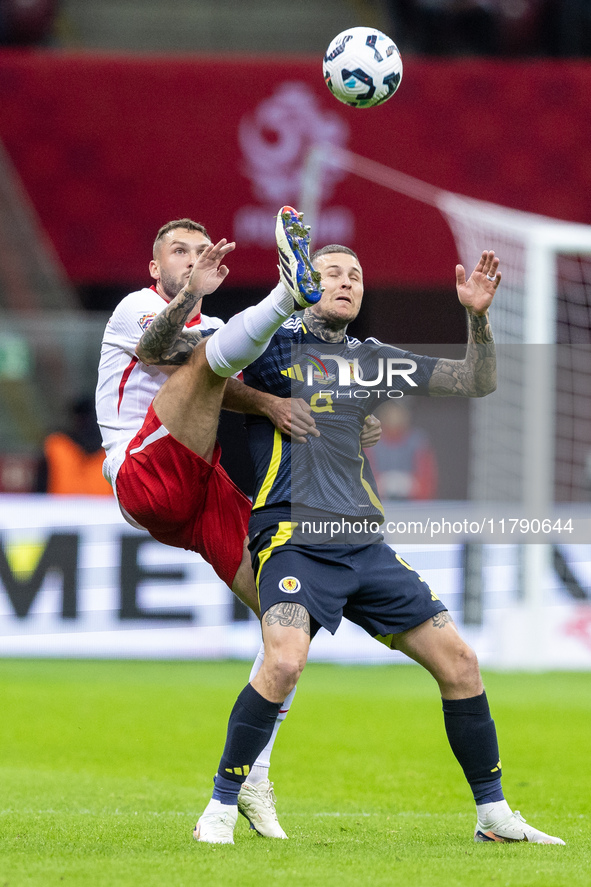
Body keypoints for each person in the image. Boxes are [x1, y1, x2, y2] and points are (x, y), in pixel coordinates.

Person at [194, 211, 565, 846]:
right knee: (283, 662)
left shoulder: (370, 360)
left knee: (462, 664)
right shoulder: (274, 341)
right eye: (331, 272)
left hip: (364, 545)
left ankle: (494, 815)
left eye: (356, 275)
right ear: (306, 280)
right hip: (292, 537)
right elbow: (203, 377)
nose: (346, 282)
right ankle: (222, 806)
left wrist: (475, 315)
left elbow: (475, 381)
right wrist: (267, 402)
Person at [95, 212, 381, 840]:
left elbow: (243, 383)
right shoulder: (137, 307)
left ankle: (252, 775)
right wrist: (221, 296)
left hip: (201, 483)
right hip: (143, 475)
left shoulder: (223, 330)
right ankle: (288, 292)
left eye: (201, 251)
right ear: (155, 267)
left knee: (288, 619)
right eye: (178, 252)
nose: (191, 259)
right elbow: (162, 353)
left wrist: (334, 413)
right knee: (205, 358)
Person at [37, 395, 112, 495]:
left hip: (105, 510)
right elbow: (38, 495)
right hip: (58, 509)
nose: (88, 425)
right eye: (83, 419)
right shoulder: (57, 446)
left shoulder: (112, 451)